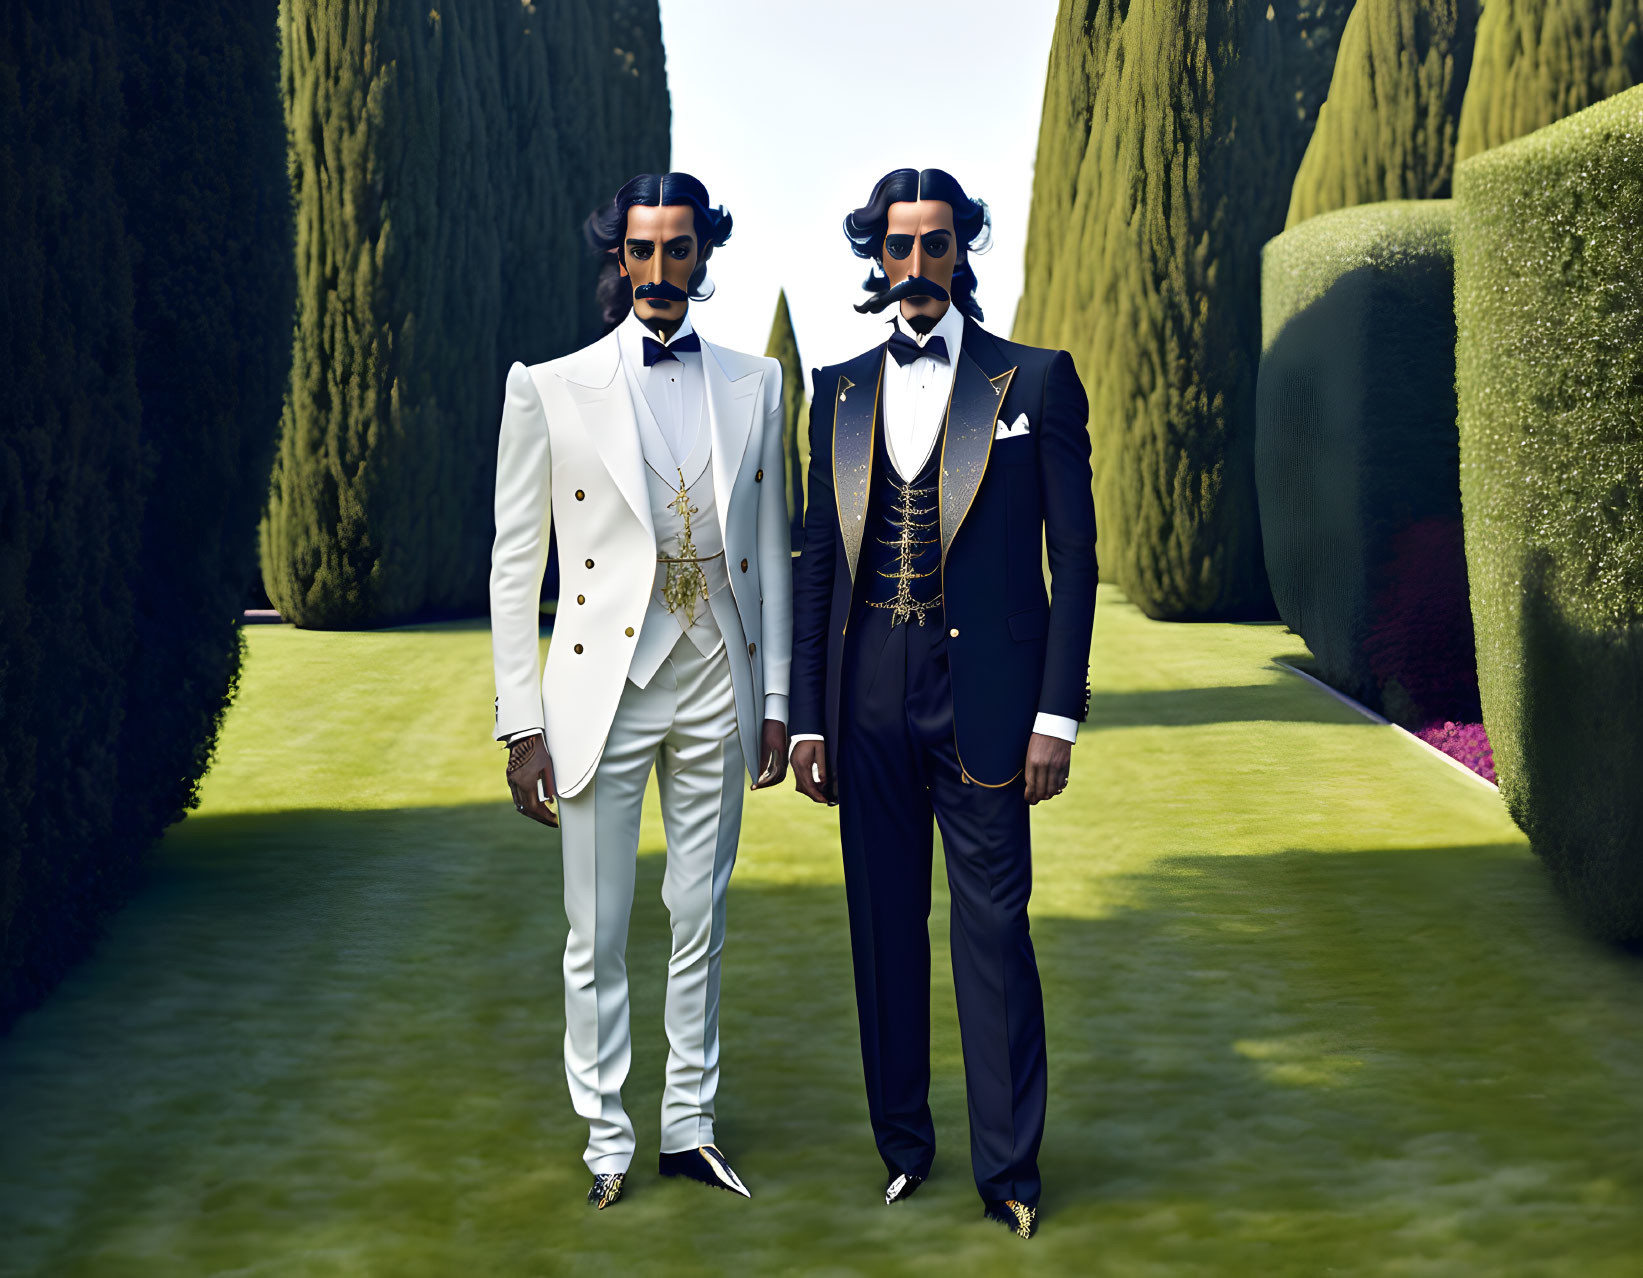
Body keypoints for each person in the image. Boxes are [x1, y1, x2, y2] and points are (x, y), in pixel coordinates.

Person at [789, 167, 1096, 1240]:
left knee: (992, 933)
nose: (913, 265)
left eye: (933, 243)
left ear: (963, 248)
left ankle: (1008, 1171)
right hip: (865, 690)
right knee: (881, 928)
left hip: (989, 704)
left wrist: (1057, 715)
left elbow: (1077, 560)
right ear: (875, 255)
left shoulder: (1037, 382)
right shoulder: (835, 388)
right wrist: (809, 715)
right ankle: (902, 1148)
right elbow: (817, 561)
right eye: (894, 245)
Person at [489, 171, 792, 1211]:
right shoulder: (548, 386)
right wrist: (520, 724)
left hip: (716, 674)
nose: (660, 269)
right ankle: (607, 1137)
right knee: (598, 924)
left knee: (700, 912)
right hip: (598, 689)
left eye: (680, 248)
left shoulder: (758, 384)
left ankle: (688, 1125)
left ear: (704, 254)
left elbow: (770, 549)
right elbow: (512, 563)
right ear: (616, 258)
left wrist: (778, 698)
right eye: (642, 250)